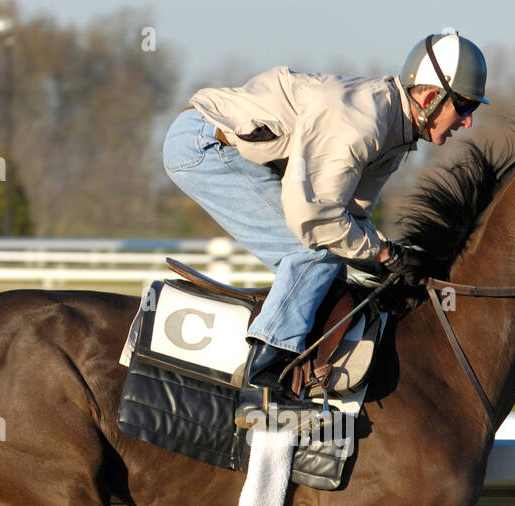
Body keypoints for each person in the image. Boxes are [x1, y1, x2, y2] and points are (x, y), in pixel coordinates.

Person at [162, 30, 488, 426]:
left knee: (330, 253)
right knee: (312, 251)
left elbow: (352, 221)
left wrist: (393, 264)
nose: (468, 121)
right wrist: (386, 254)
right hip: (203, 145)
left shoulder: (395, 134)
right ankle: (262, 383)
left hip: (221, 145)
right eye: (464, 105)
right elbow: (315, 219)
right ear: (429, 97)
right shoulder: (363, 122)